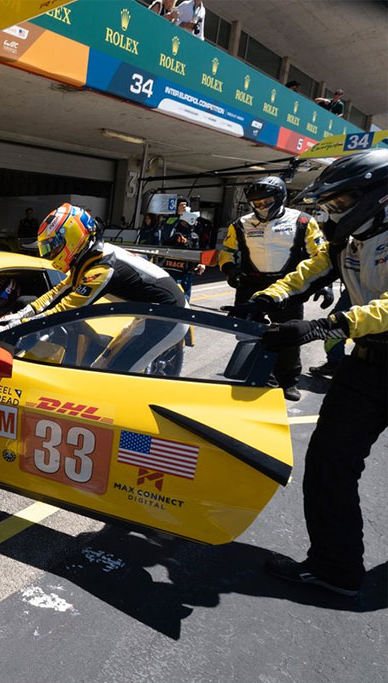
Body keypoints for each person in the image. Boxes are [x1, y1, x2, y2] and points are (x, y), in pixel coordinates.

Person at [240, 148, 387, 597]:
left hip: (367, 343)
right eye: (329, 206)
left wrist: (326, 325)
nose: (331, 214)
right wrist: (272, 295)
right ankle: (336, 568)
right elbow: (312, 268)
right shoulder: (347, 237)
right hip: (368, 365)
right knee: (328, 465)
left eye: (339, 205)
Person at [0, 204, 187, 370]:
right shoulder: (88, 257)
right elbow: (56, 294)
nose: (50, 253)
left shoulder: (101, 268)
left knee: (115, 374)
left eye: (53, 246)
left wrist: (17, 327)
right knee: (101, 367)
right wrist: (21, 314)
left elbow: (64, 309)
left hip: (169, 314)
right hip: (148, 310)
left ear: (73, 237)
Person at [218, 176, 324, 401]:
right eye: (256, 204)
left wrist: (322, 284)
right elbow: (227, 251)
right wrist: (230, 271)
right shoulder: (240, 224)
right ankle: (261, 376)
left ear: (280, 198)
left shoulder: (303, 221)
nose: (261, 208)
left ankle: (288, 381)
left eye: (265, 202)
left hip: (288, 286)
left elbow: (320, 255)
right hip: (251, 285)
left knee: (289, 334)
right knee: (248, 333)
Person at [164, 210, 207, 300]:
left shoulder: (194, 236)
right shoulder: (173, 233)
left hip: (187, 273)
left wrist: (200, 263)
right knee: (169, 298)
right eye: (195, 220)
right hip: (172, 271)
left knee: (185, 300)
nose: (196, 223)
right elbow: (166, 236)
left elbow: (197, 252)